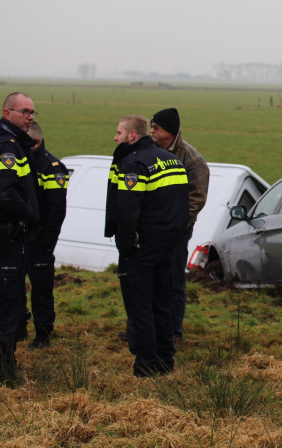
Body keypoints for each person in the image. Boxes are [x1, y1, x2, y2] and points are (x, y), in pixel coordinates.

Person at [105, 115, 189, 377]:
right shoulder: (173, 161)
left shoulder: (134, 162)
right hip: (168, 247)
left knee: (139, 308)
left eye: (119, 133)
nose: (115, 138)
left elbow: (128, 209)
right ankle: (165, 362)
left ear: (132, 136)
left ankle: (145, 365)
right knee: (162, 305)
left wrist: (125, 246)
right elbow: (182, 207)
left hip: (142, 249)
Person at [0, 92, 40, 379]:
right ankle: (0, 368)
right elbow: (4, 192)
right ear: (7, 113)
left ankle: (1, 363)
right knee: (5, 303)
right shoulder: (6, 146)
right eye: (25, 112)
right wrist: (30, 214)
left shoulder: (7, 142)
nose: (30, 117)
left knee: (9, 300)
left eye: (32, 113)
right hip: (1, 236)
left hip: (0, 234)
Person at [149, 108, 209, 348]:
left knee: (173, 281)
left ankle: (173, 332)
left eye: (157, 127)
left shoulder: (191, 159)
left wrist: (177, 224)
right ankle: (145, 328)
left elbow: (197, 198)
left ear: (170, 131)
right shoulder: (148, 151)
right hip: (151, 229)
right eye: (151, 126)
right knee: (148, 279)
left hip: (176, 231)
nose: (152, 131)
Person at [24, 121, 69, 350]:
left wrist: (46, 244)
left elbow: (56, 211)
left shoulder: (52, 167)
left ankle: (43, 334)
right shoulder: (21, 161)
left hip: (39, 241)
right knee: (12, 285)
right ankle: (18, 327)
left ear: (36, 141)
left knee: (41, 289)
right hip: (18, 238)